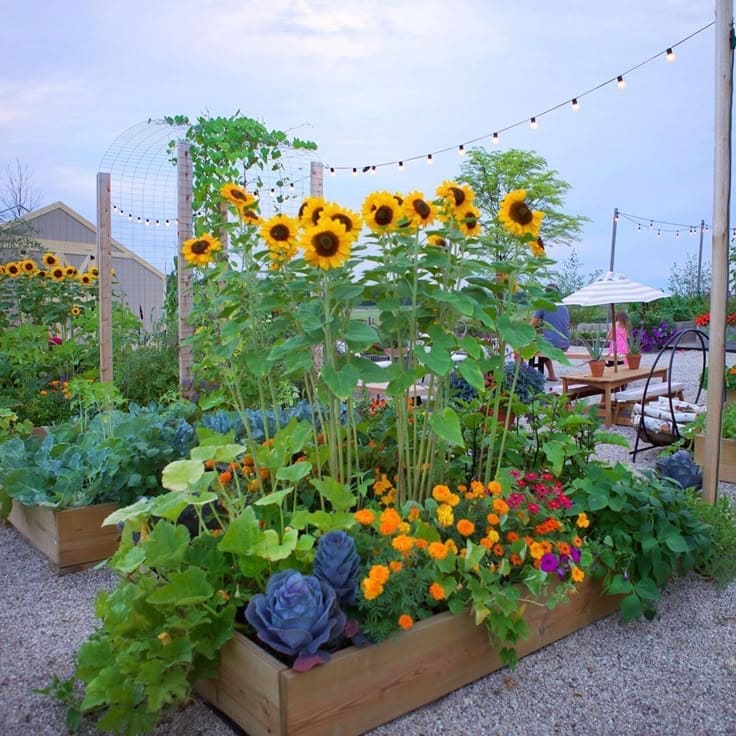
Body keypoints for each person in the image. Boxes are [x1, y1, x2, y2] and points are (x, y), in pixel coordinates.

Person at [530, 284, 570, 381]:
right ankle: (551, 375)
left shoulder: (544, 305)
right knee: (545, 342)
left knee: (530, 347)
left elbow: (531, 325)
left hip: (552, 343)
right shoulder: (564, 306)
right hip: (566, 343)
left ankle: (525, 374)